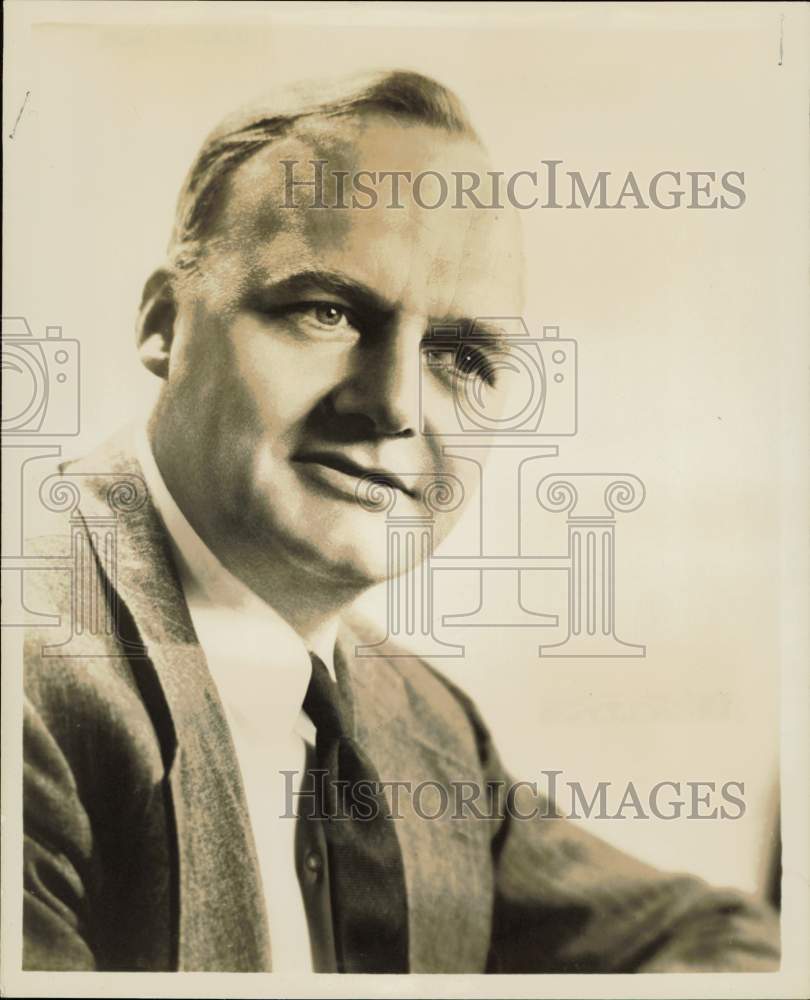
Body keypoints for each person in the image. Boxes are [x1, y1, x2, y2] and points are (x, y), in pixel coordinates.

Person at [22, 69, 780, 973]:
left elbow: (721, 940)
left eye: (461, 354)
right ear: (163, 325)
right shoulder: (32, 676)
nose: (393, 406)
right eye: (327, 311)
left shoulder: (419, 720)